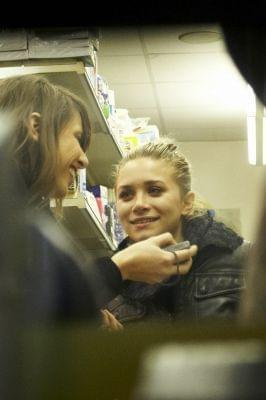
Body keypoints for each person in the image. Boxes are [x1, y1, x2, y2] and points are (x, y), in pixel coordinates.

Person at [0, 74, 198, 324]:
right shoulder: (12, 216)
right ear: (35, 128)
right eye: (75, 137)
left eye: (155, 190)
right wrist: (118, 268)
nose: (84, 160)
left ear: (187, 201)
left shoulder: (28, 213)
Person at [105, 138, 250, 327]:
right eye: (126, 195)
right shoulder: (108, 285)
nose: (139, 204)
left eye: (154, 190)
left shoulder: (244, 260)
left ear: (186, 203)